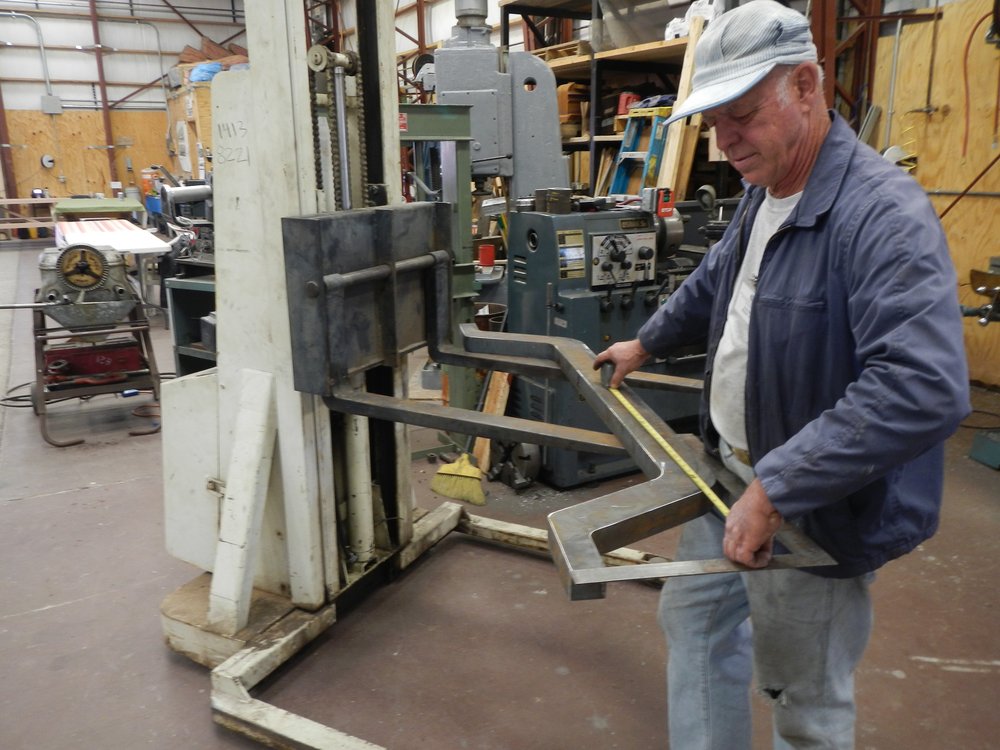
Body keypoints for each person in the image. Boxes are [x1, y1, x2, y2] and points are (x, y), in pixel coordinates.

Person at [592, 1, 971, 748]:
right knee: (696, 629)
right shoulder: (764, 189)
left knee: (803, 703)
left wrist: (779, 487)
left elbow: (922, 384)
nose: (726, 141)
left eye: (741, 114)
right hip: (725, 479)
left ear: (805, 86)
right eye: (714, 120)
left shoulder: (881, 216)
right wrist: (646, 342)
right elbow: (716, 280)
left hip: (811, 512)